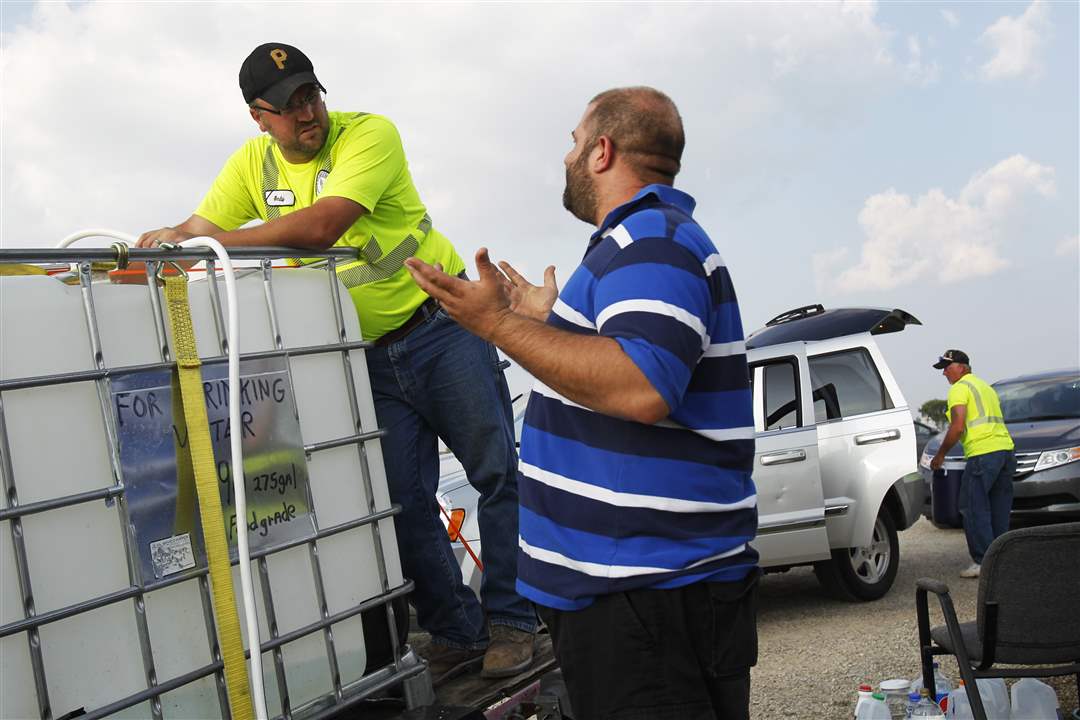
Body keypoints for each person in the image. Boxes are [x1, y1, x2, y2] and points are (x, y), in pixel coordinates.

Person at [136, 42, 536, 679]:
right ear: (258, 116)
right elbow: (196, 228)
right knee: (400, 500)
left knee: (495, 473)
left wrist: (214, 244)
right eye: (289, 105)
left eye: (311, 96)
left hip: (442, 328)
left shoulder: (369, 135)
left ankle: (514, 623)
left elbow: (323, 225)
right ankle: (458, 631)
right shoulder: (252, 164)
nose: (307, 113)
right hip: (366, 355)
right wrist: (164, 246)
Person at [406, 87, 760, 719]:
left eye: (573, 142)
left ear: (602, 151)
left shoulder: (651, 241)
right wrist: (548, 325)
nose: (566, 156)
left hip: (646, 600)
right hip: (636, 598)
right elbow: (625, 360)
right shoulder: (641, 242)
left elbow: (642, 384)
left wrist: (497, 326)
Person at [929, 349, 1016, 579]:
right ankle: (1003, 560)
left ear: (962, 367)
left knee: (972, 507)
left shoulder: (959, 388)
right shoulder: (986, 387)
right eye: (943, 369)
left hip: (983, 454)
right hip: (1005, 451)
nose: (944, 373)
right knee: (998, 509)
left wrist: (940, 455)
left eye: (947, 367)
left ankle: (983, 562)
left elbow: (957, 426)